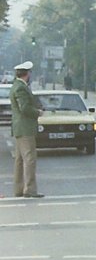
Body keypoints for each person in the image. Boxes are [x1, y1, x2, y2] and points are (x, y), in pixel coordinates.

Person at [10, 60, 43, 199]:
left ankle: (19, 189)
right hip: (25, 128)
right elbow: (24, 108)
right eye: (29, 72)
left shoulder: (17, 86)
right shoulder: (20, 88)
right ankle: (29, 189)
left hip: (19, 128)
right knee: (29, 159)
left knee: (19, 160)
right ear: (27, 74)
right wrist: (37, 112)